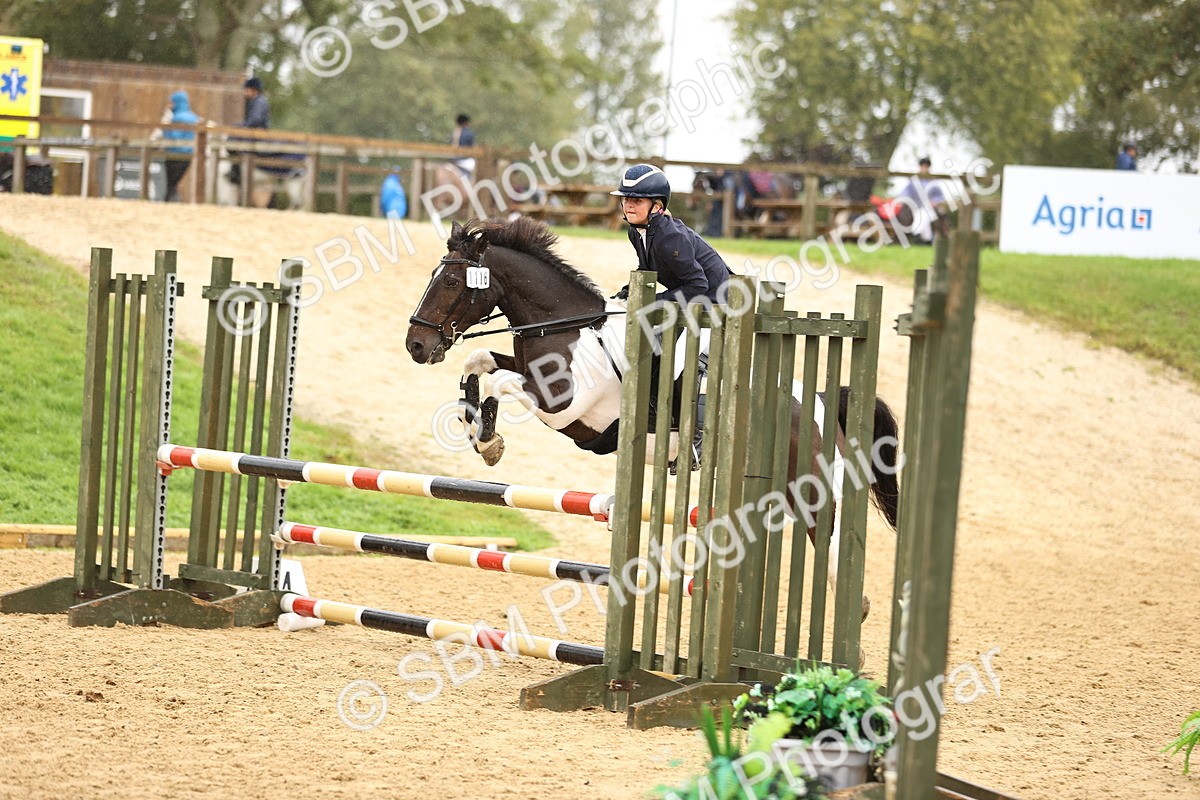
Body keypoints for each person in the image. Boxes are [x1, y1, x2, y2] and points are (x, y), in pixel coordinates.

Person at [611, 163, 733, 470]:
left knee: (678, 362)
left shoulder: (670, 237)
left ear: (657, 205)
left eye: (636, 200)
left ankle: (696, 442)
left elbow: (698, 284)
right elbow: (648, 272)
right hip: (694, 304)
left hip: (721, 307)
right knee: (652, 350)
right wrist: (629, 292)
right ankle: (656, 417)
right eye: (626, 198)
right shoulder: (636, 232)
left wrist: (652, 303)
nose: (628, 204)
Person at [161, 90, 200, 202]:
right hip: (188, 154)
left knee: (171, 184)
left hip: (174, 154)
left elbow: (173, 137)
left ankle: (169, 201)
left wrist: (165, 125)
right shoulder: (193, 117)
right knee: (176, 182)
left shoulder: (177, 118)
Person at [449, 113, 475, 180]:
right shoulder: (468, 133)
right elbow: (472, 148)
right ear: (466, 122)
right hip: (465, 160)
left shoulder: (454, 133)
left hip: (453, 159)